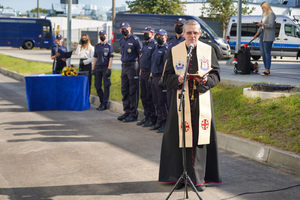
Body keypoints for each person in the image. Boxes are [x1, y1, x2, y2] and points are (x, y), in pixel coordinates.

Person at [159, 20, 221, 191]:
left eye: (196, 33)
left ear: (200, 33)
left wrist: (207, 80)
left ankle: (198, 178)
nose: (193, 36)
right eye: (189, 33)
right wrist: (178, 80)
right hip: (181, 100)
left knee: (200, 140)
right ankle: (179, 176)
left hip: (201, 102)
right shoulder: (175, 51)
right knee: (179, 138)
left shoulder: (209, 50)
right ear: (183, 33)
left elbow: (216, 74)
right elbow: (166, 78)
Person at [117, 22, 142, 122]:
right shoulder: (121, 40)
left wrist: (140, 69)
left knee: (133, 90)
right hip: (124, 66)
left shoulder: (135, 40)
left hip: (133, 66)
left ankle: (133, 114)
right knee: (124, 89)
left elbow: (140, 55)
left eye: (126, 28)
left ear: (130, 28)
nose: (124, 30)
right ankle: (126, 111)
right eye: (122, 28)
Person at [136, 26, 157, 127]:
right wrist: (140, 71)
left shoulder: (155, 45)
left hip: (150, 73)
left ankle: (152, 118)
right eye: (144, 32)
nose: (145, 34)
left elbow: (154, 61)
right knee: (143, 96)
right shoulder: (144, 44)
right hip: (143, 72)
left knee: (149, 97)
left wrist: (151, 74)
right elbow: (142, 59)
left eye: (147, 32)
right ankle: (146, 116)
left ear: (152, 34)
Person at [165, 18, 186, 110]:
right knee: (170, 101)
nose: (178, 27)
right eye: (177, 24)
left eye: (181, 25)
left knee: (180, 104)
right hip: (171, 75)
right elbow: (167, 60)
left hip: (181, 75)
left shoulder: (186, 41)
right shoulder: (171, 41)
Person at [150, 29, 169, 133]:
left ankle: (164, 124)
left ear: (166, 37)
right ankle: (158, 121)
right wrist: (151, 75)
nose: (159, 37)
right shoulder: (156, 47)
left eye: (161, 36)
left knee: (162, 102)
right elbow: (153, 63)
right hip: (154, 76)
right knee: (156, 101)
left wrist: (162, 78)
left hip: (161, 78)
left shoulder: (166, 49)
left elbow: (165, 65)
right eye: (158, 35)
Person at [92, 30, 113, 111]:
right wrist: (93, 68)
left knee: (106, 86)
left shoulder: (109, 46)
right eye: (100, 35)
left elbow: (110, 58)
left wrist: (109, 68)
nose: (102, 36)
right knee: (97, 85)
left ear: (106, 35)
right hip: (98, 67)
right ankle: (102, 101)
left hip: (105, 68)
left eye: (103, 34)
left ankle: (105, 104)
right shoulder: (97, 46)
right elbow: (95, 58)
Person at [253, 1, 276, 76]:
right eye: (261, 8)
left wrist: (262, 24)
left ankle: (267, 69)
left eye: (263, 7)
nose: (262, 9)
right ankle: (266, 68)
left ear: (267, 7)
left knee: (267, 53)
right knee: (262, 53)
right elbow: (261, 27)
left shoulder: (271, 15)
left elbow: (271, 25)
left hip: (268, 36)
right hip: (262, 35)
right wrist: (256, 34)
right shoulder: (263, 15)